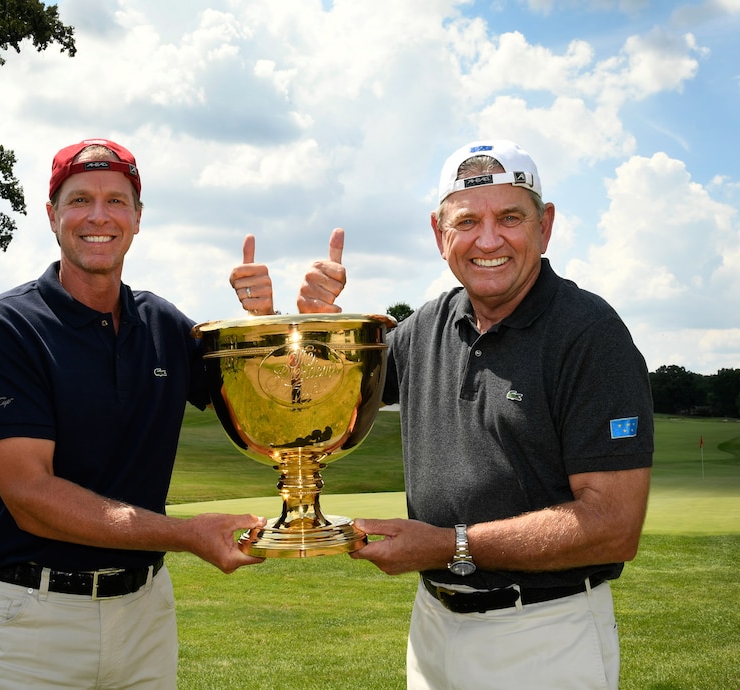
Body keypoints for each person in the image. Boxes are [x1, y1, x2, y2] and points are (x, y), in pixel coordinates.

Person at [231, 140, 654, 690]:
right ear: (439, 235)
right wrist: (294, 329)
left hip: (545, 634)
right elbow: (314, 398)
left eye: (510, 218)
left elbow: (613, 528)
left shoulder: (589, 335)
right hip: (434, 627)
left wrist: (451, 545)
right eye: (467, 222)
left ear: (545, 226)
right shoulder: (424, 328)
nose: (488, 240)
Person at [0, 138, 265, 689]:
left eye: (117, 201)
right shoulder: (4, 327)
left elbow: (259, 407)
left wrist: (265, 323)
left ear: (138, 219)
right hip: (32, 619)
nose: (98, 216)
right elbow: (31, 497)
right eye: (79, 200)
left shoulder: (164, 323)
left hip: (145, 613)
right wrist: (186, 533)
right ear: (52, 216)